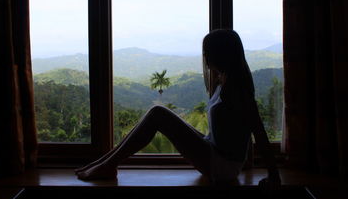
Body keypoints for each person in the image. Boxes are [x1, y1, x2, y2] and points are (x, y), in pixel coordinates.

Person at [75, 29, 281, 186]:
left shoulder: (237, 88)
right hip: (216, 153)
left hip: (222, 166)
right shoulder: (224, 80)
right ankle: (104, 162)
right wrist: (246, 161)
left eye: (208, 53)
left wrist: (273, 175)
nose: (206, 58)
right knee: (158, 113)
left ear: (221, 54)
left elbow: (257, 131)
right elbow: (239, 132)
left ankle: (107, 165)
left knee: (158, 114)